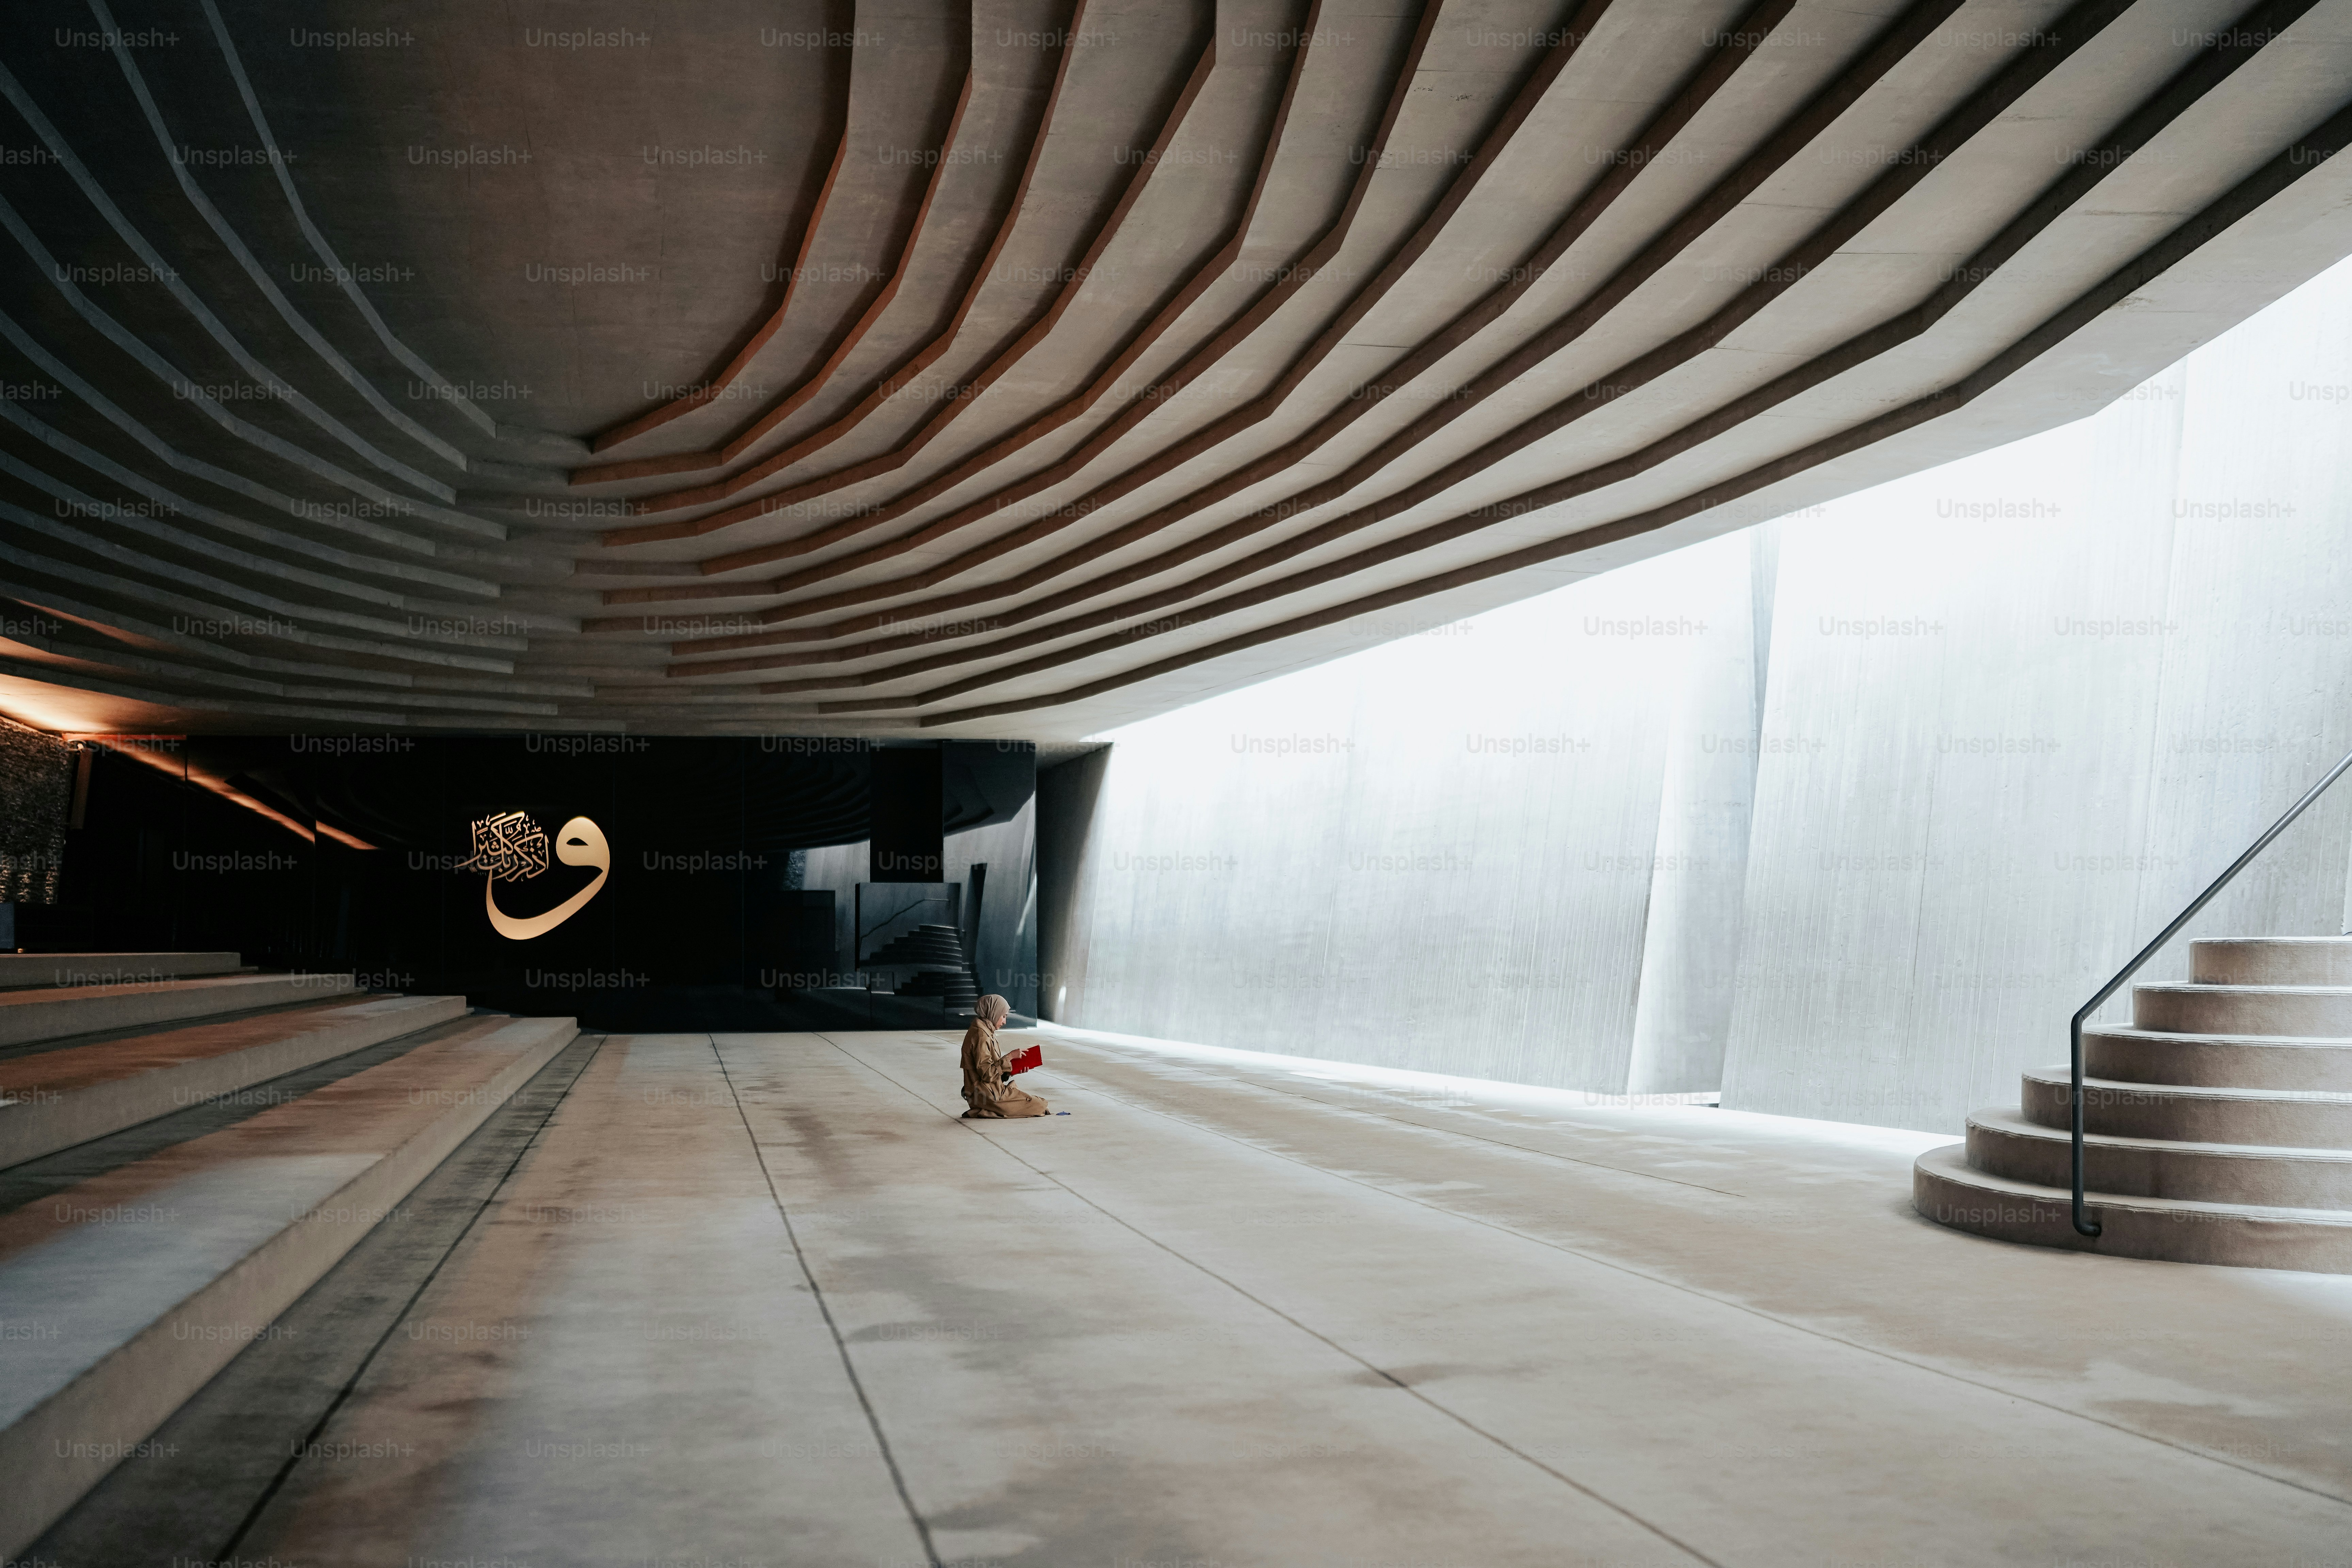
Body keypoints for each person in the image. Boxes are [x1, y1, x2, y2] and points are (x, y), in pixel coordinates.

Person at [959, 993, 1050, 1118]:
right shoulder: (981, 1036)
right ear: (994, 1013)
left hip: (992, 1090)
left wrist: (1013, 1070)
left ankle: (987, 1110)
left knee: (1040, 1104)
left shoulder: (986, 1031)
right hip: (987, 1095)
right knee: (1040, 1105)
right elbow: (987, 1075)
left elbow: (991, 1070)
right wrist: (1010, 1057)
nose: (1004, 1022)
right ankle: (981, 1110)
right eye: (1003, 1016)